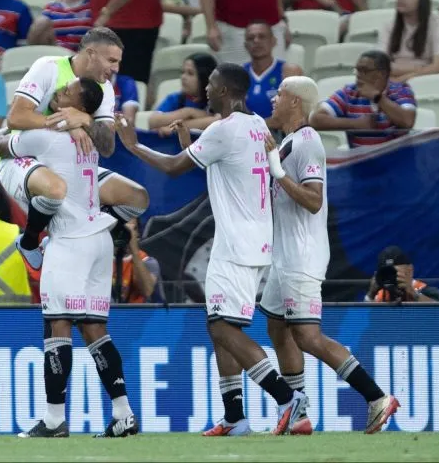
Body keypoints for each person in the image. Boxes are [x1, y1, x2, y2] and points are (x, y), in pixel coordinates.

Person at [117, 63, 308, 436]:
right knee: (223, 325)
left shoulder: (223, 129)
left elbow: (173, 168)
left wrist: (132, 146)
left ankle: (286, 397)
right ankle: (235, 416)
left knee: (221, 327)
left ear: (224, 91)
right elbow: (222, 166)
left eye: (211, 84)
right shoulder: (256, 126)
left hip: (235, 244)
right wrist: (190, 142)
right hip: (255, 240)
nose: (205, 89)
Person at [0, 79, 140, 438]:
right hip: (99, 240)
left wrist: (37, 123)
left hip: (69, 240)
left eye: (67, 93)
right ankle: (123, 415)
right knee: (95, 329)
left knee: (57, 327)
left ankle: (54, 419)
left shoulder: (50, 135)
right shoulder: (88, 141)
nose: (59, 93)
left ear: (81, 105)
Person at [262, 76, 399, 436]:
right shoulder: (288, 142)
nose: (273, 100)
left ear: (295, 101)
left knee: (307, 336)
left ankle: (377, 397)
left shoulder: (308, 141)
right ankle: (298, 409)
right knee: (277, 327)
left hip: (301, 256)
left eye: (279, 95)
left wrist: (277, 173)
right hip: (283, 255)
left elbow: (313, 200)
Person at [2, 28, 150, 271]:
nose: (116, 69)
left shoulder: (106, 90)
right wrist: (66, 123)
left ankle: (85, 231)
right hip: (23, 155)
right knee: (55, 189)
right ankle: (29, 241)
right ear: (91, 54)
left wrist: (85, 120)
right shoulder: (48, 67)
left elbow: (107, 147)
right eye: (111, 61)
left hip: (67, 163)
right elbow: (16, 118)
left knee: (137, 198)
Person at [310, 51, 417, 147]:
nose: (358, 75)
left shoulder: (400, 90)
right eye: (357, 70)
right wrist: (356, 124)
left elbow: (407, 121)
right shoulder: (349, 92)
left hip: (396, 161)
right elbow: (315, 119)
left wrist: (378, 98)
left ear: (382, 74)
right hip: (360, 162)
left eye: (364, 71)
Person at [378, 0, 439, 82]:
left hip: (427, 82)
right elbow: (379, 65)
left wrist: (400, 80)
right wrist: (422, 67)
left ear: (421, 0)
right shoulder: (388, 26)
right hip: (394, 82)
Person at [242, 22, 304, 121]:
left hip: (279, 134)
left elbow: (294, 115)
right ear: (245, 45)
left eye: (262, 37)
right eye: (251, 38)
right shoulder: (238, 74)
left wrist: (258, 127)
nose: (256, 41)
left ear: (273, 41)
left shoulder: (289, 71)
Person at [148, 52, 217, 132]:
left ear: (205, 77)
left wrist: (173, 128)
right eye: (183, 72)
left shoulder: (216, 101)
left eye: (190, 73)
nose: (183, 77)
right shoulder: (175, 99)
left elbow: (216, 122)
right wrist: (187, 112)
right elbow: (153, 122)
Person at [365, 246, 439, 302]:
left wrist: (412, 293)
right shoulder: (378, 297)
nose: (391, 277)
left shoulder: (428, 292)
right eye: (387, 273)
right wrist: (370, 295)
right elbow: (361, 324)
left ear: (410, 270)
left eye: (395, 272)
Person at [111, 219, 164, 304]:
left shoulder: (148, 262)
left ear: (138, 235)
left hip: (135, 315)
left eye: (133, 229)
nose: (125, 233)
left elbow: (147, 291)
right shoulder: (100, 259)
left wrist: (134, 251)